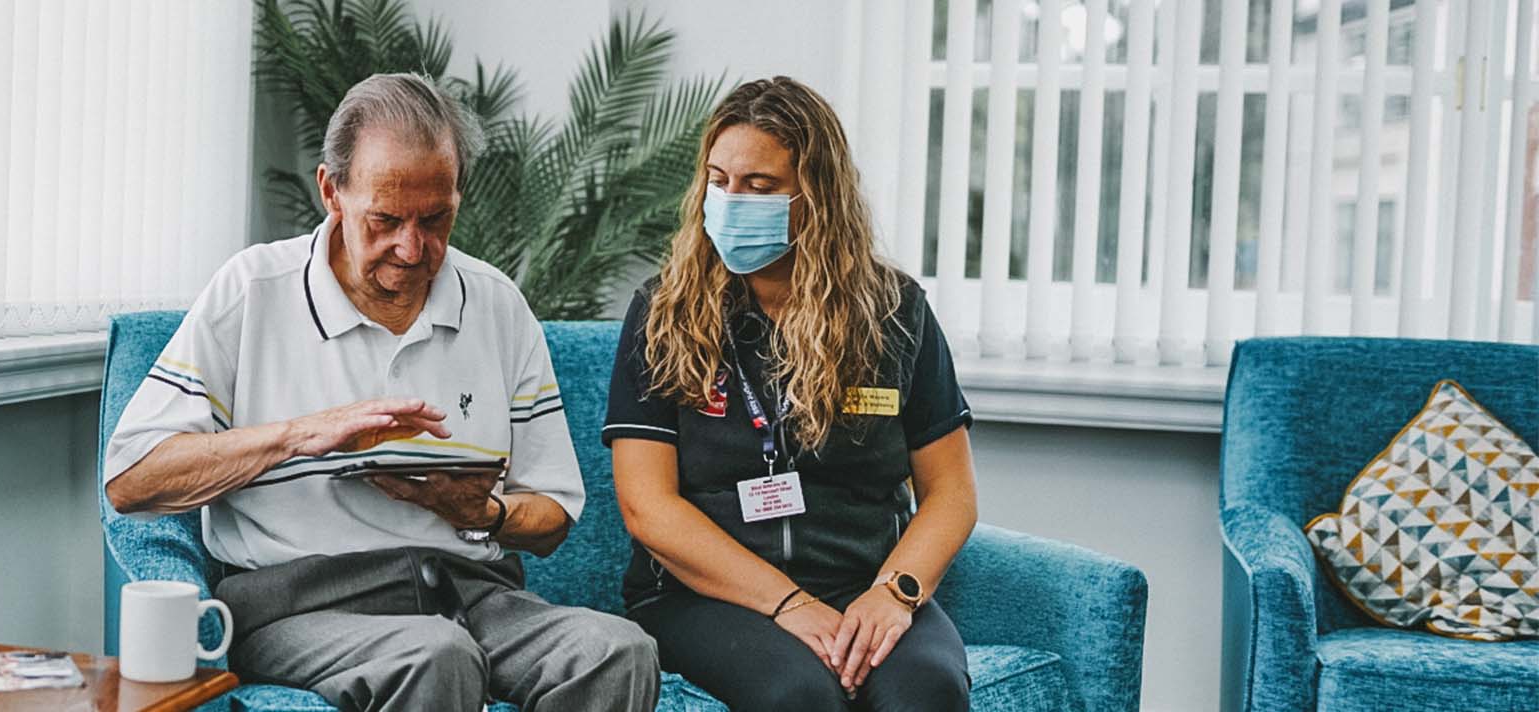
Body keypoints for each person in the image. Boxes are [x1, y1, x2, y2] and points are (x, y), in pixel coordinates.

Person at [104, 73, 658, 712]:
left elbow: (553, 513)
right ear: (331, 191)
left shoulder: (499, 305)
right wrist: (300, 435)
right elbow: (131, 480)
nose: (413, 247)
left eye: (436, 218)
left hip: (472, 594)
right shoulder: (253, 291)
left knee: (618, 651)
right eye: (387, 219)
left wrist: (484, 514)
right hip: (301, 608)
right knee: (434, 656)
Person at [604, 76, 977, 712]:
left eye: (759, 185)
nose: (730, 200)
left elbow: (950, 493)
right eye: (719, 181)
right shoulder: (663, 310)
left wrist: (896, 592)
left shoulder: (894, 312)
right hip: (706, 596)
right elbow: (647, 507)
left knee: (927, 691)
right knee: (800, 694)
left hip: (862, 582)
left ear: (817, 197)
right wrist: (788, 603)